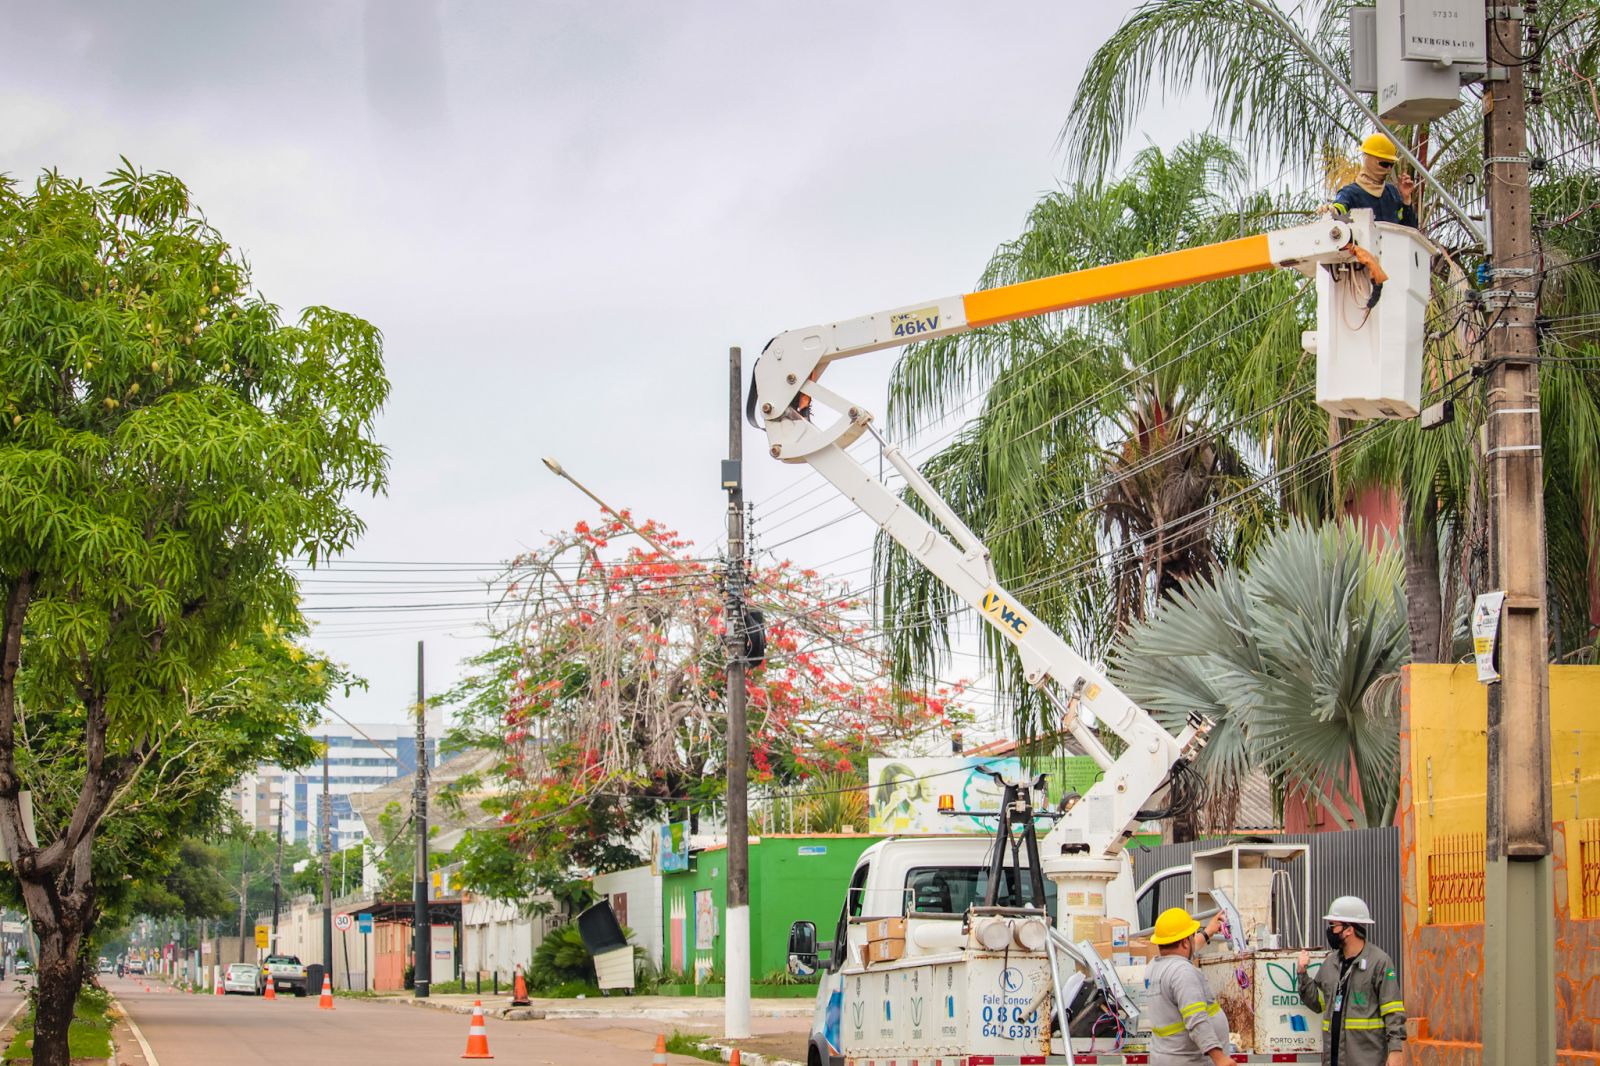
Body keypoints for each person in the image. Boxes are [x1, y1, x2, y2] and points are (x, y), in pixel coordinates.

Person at [1297, 896, 1405, 1066]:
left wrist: (1395, 1050)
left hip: (1366, 1060)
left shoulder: (1380, 962)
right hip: (1333, 1060)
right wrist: (1302, 973)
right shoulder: (1330, 963)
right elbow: (1317, 1003)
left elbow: (1393, 1010)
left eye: (1334, 926)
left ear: (1349, 930)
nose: (1330, 931)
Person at [1146, 907, 1237, 1066]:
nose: (1194, 940)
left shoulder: (1154, 966)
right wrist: (1219, 1058)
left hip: (1168, 1058)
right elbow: (1196, 1019)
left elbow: (1183, 952)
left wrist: (1208, 932)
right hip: (1189, 1061)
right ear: (1184, 942)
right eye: (1191, 937)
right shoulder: (1183, 972)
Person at [1328, 134, 1419, 228]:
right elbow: (1339, 208)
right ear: (1368, 159)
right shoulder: (1350, 193)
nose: (1388, 169)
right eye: (1384, 164)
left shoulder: (1392, 193)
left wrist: (1406, 199)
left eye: (1391, 165)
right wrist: (1332, 210)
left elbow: (1410, 229)